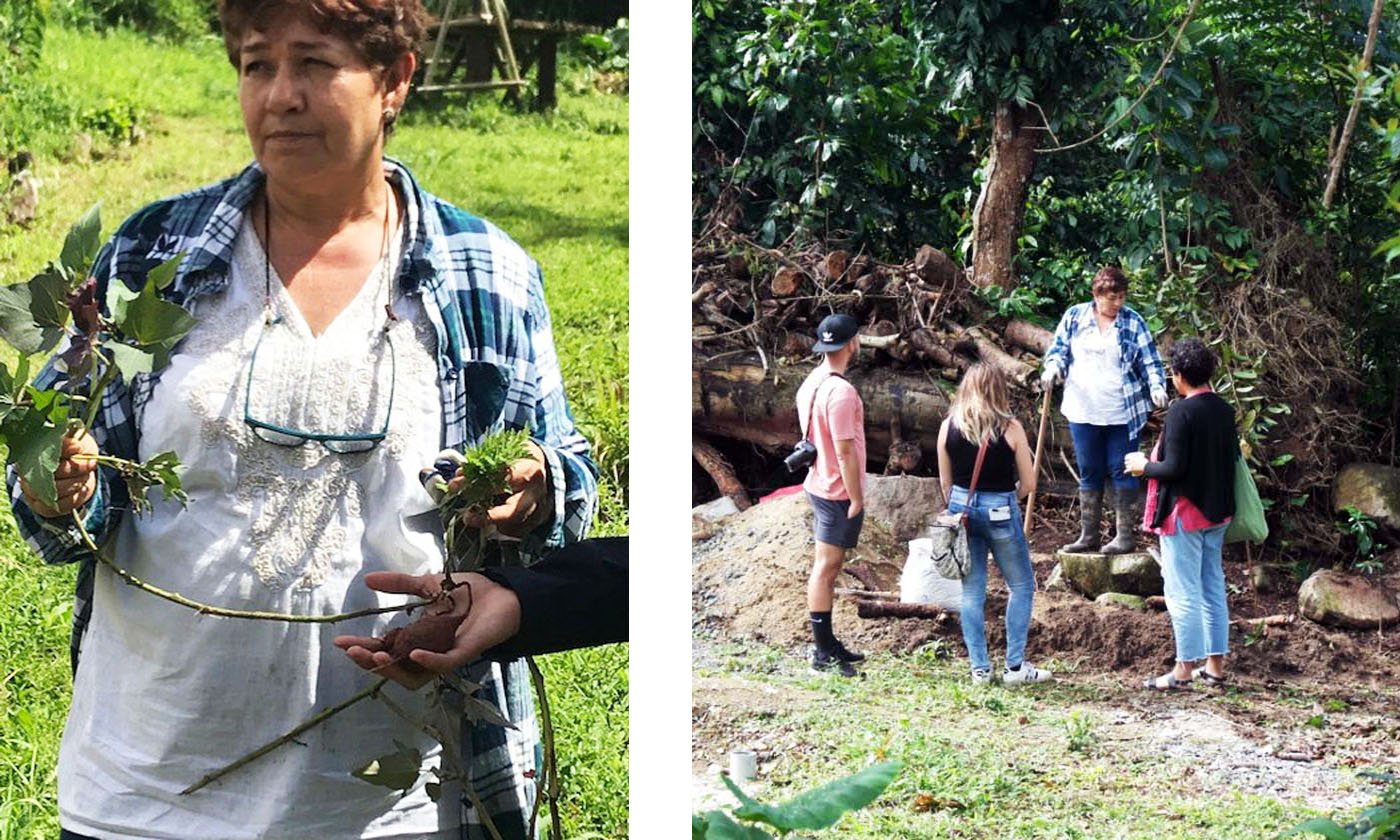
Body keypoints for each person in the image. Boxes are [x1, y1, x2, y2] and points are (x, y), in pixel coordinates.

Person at [8, 1, 599, 838]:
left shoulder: (487, 275)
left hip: (390, 799)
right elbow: (52, 472)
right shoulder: (151, 255)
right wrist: (57, 484)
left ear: (393, 80)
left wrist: (535, 491)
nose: (280, 95)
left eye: (315, 64)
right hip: (148, 786)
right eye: (257, 64)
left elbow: (567, 474)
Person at [1124, 337, 1237, 691]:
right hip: (1217, 514)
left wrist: (1144, 466)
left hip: (1184, 515)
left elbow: (1173, 468)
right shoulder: (1224, 410)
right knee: (1212, 587)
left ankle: (1184, 670)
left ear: (1178, 376)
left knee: (1182, 592)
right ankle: (1214, 666)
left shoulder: (1181, 412)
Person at [937, 363, 1050, 686]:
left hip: (962, 511)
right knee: (1021, 585)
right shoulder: (1011, 428)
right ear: (998, 390)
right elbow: (1028, 484)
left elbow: (946, 484)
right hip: (1000, 509)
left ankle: (980, 669)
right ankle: (1015, 667)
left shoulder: (948, 427)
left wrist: (963, 505)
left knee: (972, 592)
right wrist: (1005, 498)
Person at [1041, 266, 1168, 555]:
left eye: (1122, 297)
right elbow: (1059, 350)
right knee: (1090, 471)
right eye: (1112, 298)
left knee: (1123, 470)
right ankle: (1088, 536)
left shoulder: (1133, 322)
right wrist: (1052, 369)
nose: (1118, 304)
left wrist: (1156, 386)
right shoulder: (1075, 317)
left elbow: (1150, 361)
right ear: (1096, 295)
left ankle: (1124, 536)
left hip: (1122, 412)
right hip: (1083, 409)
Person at [795, 312, 867, 678]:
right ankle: (822, 652)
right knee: (826, 569)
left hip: (817, 481)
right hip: (836, 489)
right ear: (853, 343)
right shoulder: (841, 392)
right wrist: (855, 497)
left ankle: (828, 644)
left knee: (829, 567)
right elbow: (844, 451)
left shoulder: (811, 382)